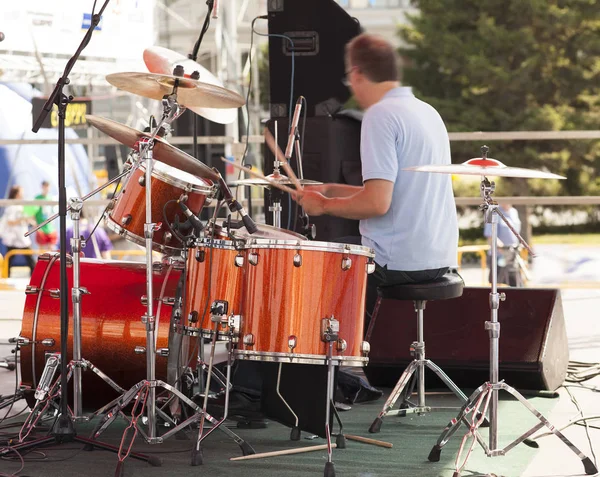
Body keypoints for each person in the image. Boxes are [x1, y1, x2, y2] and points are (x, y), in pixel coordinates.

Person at [296, 33, 459, 330]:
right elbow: (397, 194)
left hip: (396, 262)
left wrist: (323, 206)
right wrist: (331, 189)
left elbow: (377, 203)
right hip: (438, 256)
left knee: (304, 259)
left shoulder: (380, 115)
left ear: (357, 73)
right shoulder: (426, 111)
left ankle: (335, 368)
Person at [0, 186, 36, 276]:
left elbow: (23, 218)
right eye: (21, 192)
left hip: (21, 236)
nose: (23, 194)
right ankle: (5, 277)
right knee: (9, 259)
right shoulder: (12, 206)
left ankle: (35, 277)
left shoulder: (20, 205)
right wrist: (22, 219)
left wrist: (29, 220)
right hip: (14, 237)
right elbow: (10, 222)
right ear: (17, 194)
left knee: (30, 259)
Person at [484, 203, 522, 286]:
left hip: (513, 256)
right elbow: (490, 236)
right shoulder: (493, 211)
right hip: (499, 256)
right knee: (498, 285)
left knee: (516, 285)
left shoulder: (513, 211)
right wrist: (504, 250)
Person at [32, 180, 58, 249]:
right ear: (42, 187)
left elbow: (53, 213)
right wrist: (36, 226)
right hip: (41, 227)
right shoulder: (37, 198)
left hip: (50, 227)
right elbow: (33, 213)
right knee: (41, 250)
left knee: (51, 248)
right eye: (45, 186)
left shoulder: (51, 198)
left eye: (47, 187)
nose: (46, 188)